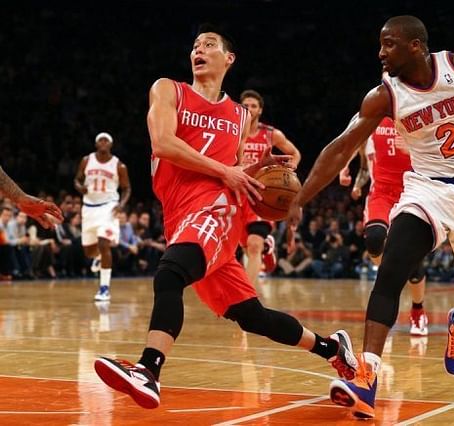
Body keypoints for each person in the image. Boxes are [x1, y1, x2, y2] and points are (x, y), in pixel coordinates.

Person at [93, 23, 355, 409]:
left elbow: (229, 174)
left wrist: (259, 175)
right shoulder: (169, 89)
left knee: (170, 274)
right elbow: (164, 144)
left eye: (209, 45)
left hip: (215, 209)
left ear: (228, 58)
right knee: (251, 315)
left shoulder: (237, 115)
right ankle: (333, 349)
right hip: (180, 213)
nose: (198, 50)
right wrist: (230, 171)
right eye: (195, 45)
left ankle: (148, 370)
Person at [287, 15, 454, 419]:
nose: (381, 52)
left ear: (415, 46)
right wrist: (302, 197)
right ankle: (366, 377)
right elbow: (341, 146)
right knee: (391, 270)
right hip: (428, 190)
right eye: (381, 45)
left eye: (389, 44)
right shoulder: (384, 96)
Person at [340, 117, 429, 336]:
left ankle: (418, 310)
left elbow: (438, 153)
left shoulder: (417, 112)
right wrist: (345, 168)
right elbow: (353, 143)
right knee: (374, 240)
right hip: (381, 193)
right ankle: (391, 281)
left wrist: (413, 150)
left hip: (413, 192)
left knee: (414, 263)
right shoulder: (372, 114)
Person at [239, 89, 301, 285]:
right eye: (245, 105)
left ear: (260, 111)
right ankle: (268, 248)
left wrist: (290, 170)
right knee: (244, 245)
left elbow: (294, 153)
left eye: (253, 106)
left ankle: (246, 296)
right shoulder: (232, 131)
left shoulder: (270, 134)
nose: (249, 108)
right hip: (237, 190)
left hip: (261, 193)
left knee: (253, 244)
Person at [74, 132, 131, 301]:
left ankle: (104, 289)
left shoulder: (119, 165)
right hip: (89, 208)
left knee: (104, 243)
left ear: (111, 145)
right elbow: (77, 180)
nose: (104, 142)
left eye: (107, 140)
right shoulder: (86, 160)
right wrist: (79, 187)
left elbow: (127, 188)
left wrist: (121, 205)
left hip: (109, 207)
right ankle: (98, 257)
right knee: (89, 251)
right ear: (96, 144)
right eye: (101, 140)